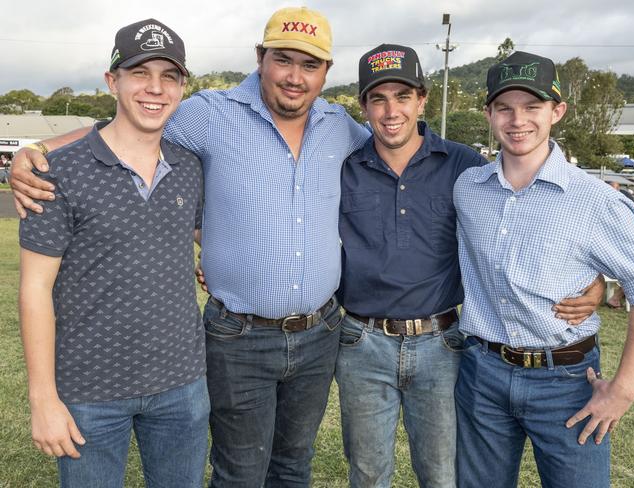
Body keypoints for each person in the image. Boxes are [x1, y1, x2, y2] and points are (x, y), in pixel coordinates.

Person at [11, 7, 368, 487]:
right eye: (283, 60)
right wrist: (38, 151)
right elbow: (126, 128)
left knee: (293, 465)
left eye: (310, 65)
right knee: (239, 472)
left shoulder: (340, 126)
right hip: (238, 337)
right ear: (260, 58)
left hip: (319, 332)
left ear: (327, 71)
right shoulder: (209, 112)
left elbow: (391, 150)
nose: (294, 76)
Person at [334, 44, 602, 488]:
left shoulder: (464, 165)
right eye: (377, 98)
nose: (391, 110)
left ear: (422, 100)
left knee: (442, 474)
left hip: (442, 343)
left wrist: (594, 280)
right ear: (363, 106)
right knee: (366, 472)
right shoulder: (344, 167)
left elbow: (526, 219)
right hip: (362, 342)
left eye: (403, 96)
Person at [18, 19, 209, 488]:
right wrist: (43, 399)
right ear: (112, 81)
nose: (155, 88)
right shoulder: (56, 171)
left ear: (182, 86)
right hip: (89, 391)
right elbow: (34, 290)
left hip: (181, 385)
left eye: (169, 76)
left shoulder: (189, 167)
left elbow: (203, 237)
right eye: (140, 72)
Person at [453, 51, 634, 488]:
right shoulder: (468, 189)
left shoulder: (593, 199)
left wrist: (625, 388)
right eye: (504, 107)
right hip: (482, 373)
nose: (517, 119)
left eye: (532, 107)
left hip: (567, 381)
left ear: (557, 111)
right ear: (488, 113)